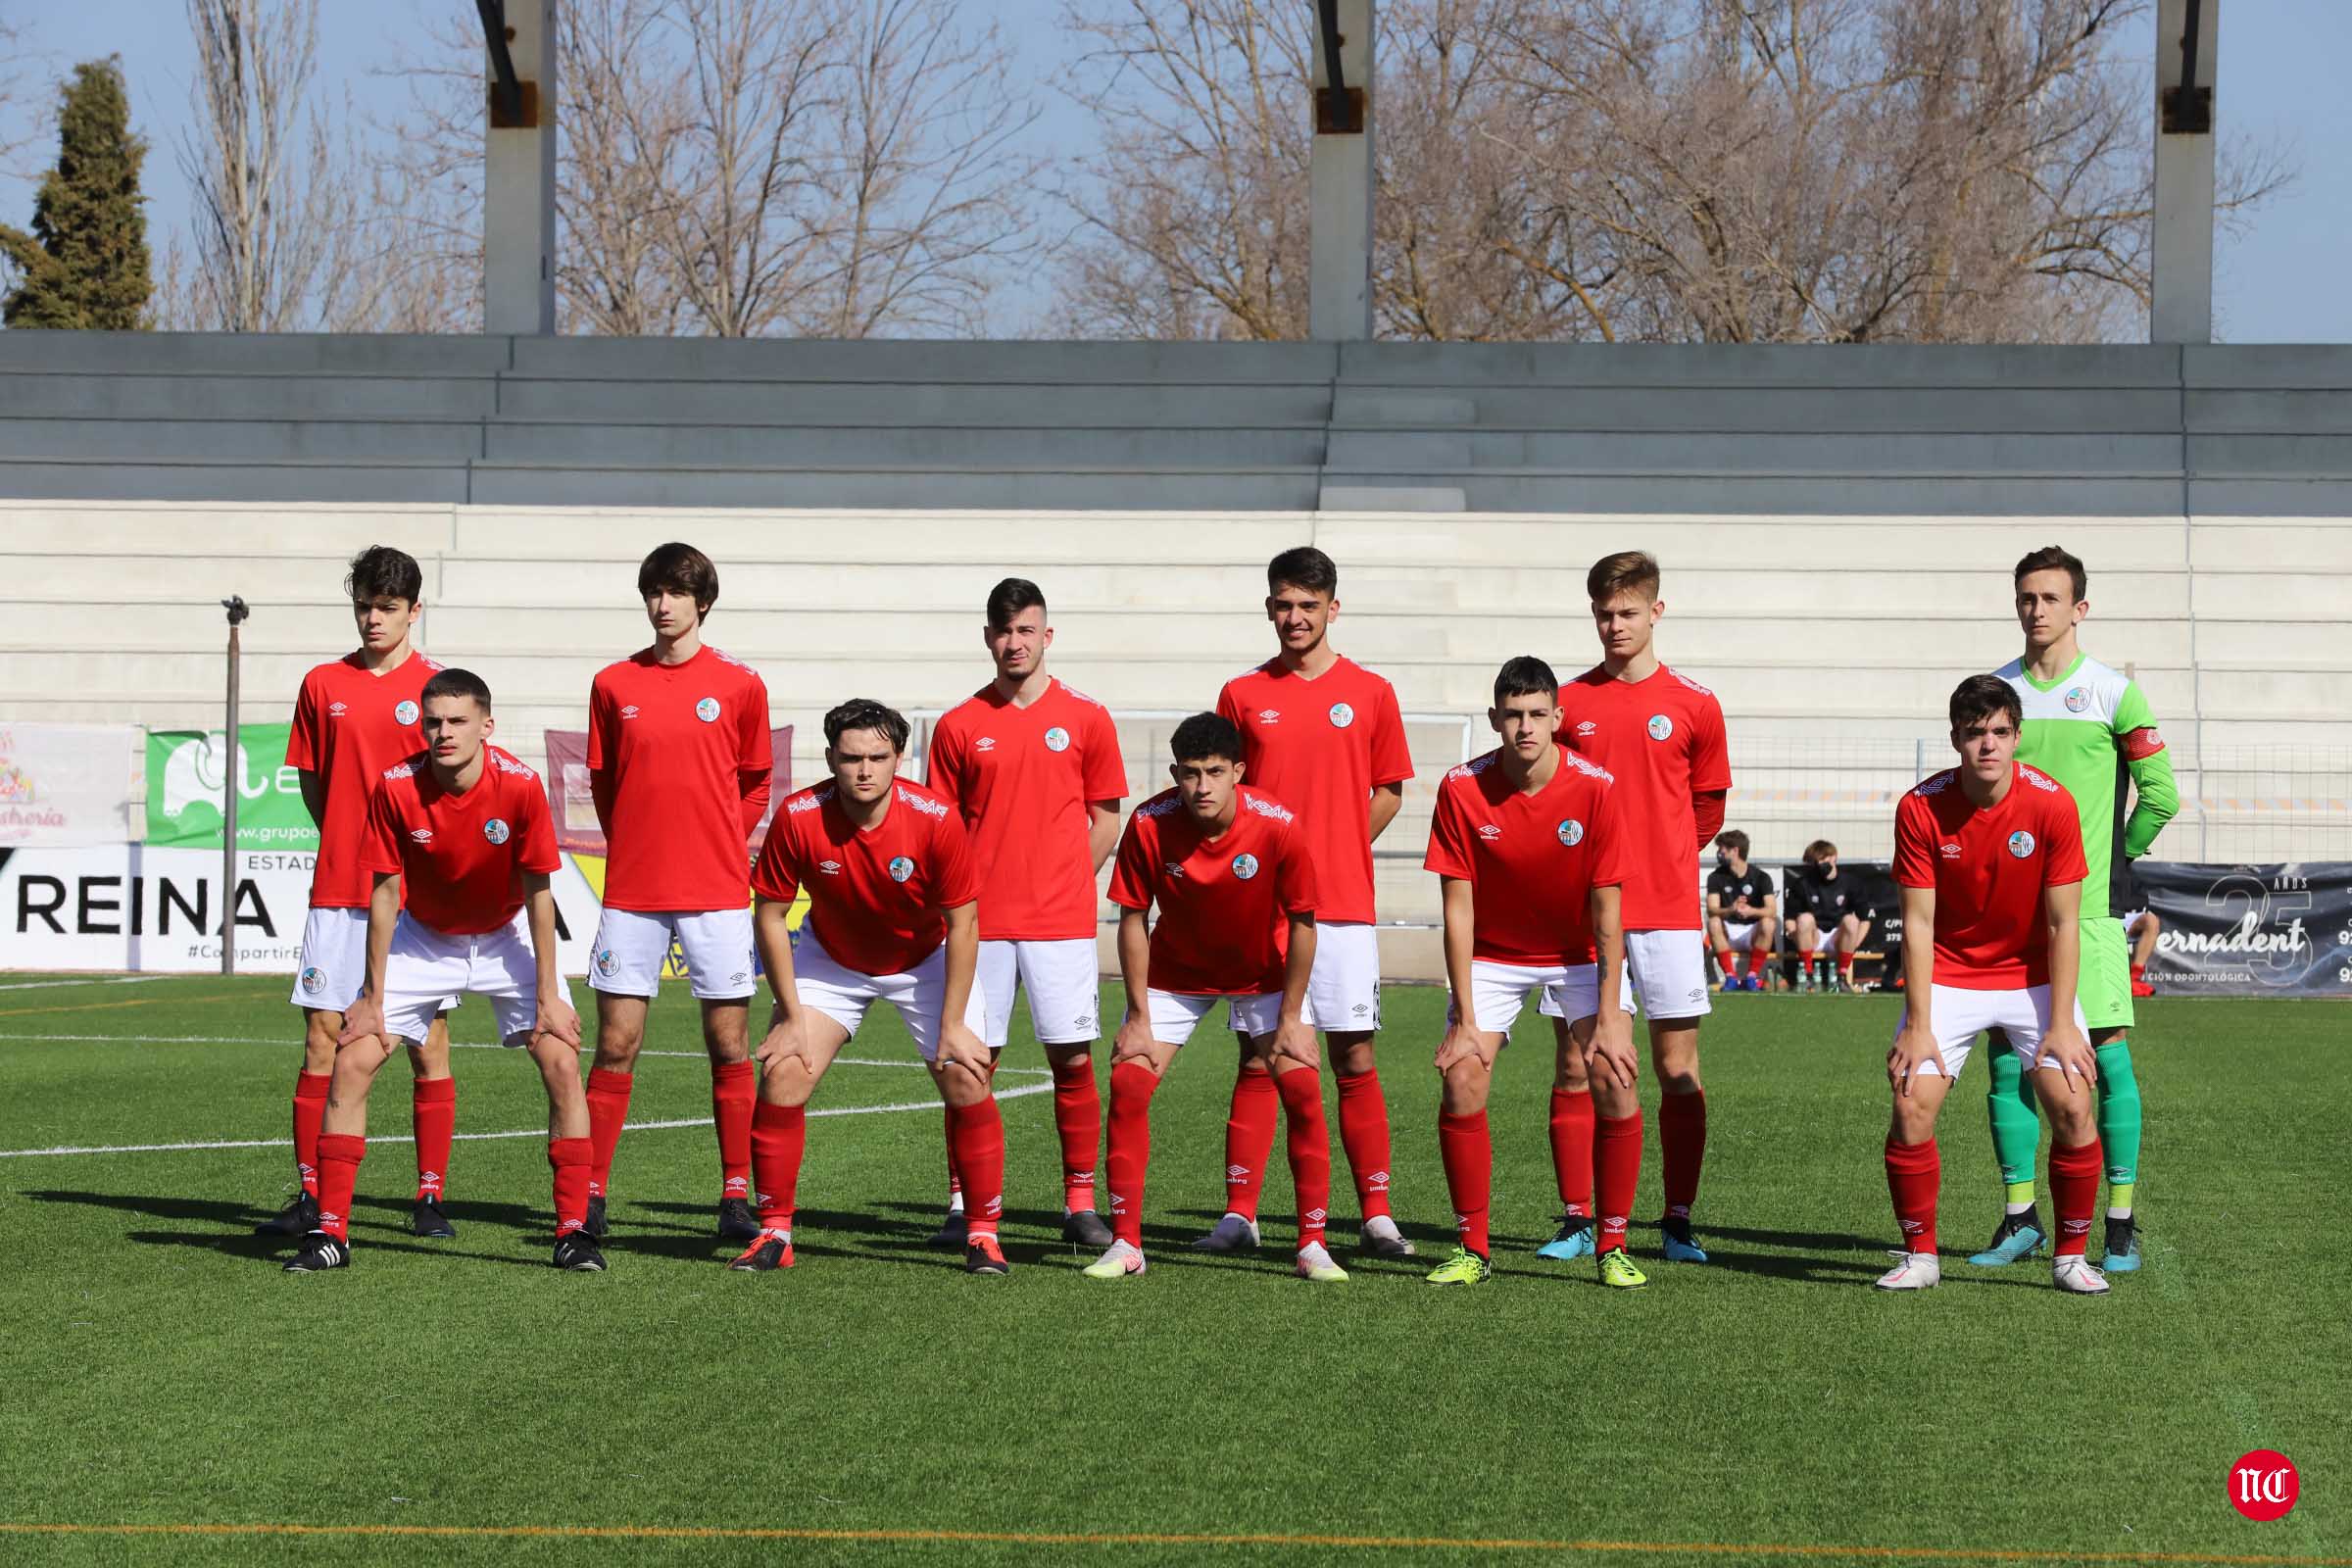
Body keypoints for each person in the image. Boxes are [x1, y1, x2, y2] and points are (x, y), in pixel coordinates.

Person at [287, 669, 593, 1273]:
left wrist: (549, 995)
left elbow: (539, 893)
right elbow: (382, 892)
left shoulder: (521, 786)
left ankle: (573, 1231)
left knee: (560, 1057)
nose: (444, 733)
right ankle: (331, 1233)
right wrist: (372, 996)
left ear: (486, 726)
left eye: (457, 721)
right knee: (353, 1056)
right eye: (433, 722)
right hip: (425, 939)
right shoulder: (396, 786)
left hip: (505, 935)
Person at [730, 700, 1009, 1277]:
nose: (864, 770)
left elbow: (964, 924)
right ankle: (775, 1233)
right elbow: (770, 915)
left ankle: (983, 1234)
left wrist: (953, 1024)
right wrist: (786, 1011)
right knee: (783, 1070)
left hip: (924, 959)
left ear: (898, 758)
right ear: (831, 756)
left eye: (878, 757)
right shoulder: (799, 814)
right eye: (851, 757)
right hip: (833, 960)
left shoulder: (935, 816)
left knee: (964, 1073)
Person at [1199, 547, 1416, 1259]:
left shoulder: (1373, 692)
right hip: (1262, 912)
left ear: (1333, 608)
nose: (1295, 618)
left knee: (1353, 1056)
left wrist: (1337, 848)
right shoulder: (1241, 694)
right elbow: (1229, 792)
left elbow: (1389, 789)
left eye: (1309, 606)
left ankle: (1377, 1215)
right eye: (1284, 605)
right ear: (1269, 607)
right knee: (1258, 1057)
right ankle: (1241, 1214)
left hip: (1343, 906)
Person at [1974, 545, 2179, 1273]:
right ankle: (2021, 1215)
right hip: (2008, 912)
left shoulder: (2113, 693)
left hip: (2086, 912)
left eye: (2051, 598)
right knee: (2007, 1064)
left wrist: (2119, 857)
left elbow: (2162, 795)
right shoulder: (1995, 693)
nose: (2037, 610)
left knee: (2107, 1060)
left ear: (2079, 609)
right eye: (2027, 597)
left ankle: (2119, 1224)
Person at [1087, 712, 1343, 1283]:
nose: (1202, 787)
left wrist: (1294, 1016)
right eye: (1191, 774)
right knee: (1129, 1080)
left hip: (1263, 974)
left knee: (1300, 1084)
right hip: (1175, 974)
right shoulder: (1150, 824)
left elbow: (1304, 922)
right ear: (1175, 772)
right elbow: (1131, 916)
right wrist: (1136, 1013)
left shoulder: (1278, 825)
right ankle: (1127, 1244)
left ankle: (1312, 1245)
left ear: (1239, 773)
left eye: (1215, 773)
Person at [1421, 658, 1647, 1289]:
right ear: (1495, 719)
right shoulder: (1461, 788)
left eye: (1537, 715)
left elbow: (1608, 914)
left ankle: (1612, 1245)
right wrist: (1464, 1018)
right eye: (1513, 715)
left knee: (1614, 1075)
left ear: (1558, 719)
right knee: (1462, 1079)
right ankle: (1472, 1248)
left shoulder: (1596, 787)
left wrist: (1609, 1015)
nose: (1525, 727)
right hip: (1492, 956)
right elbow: (1457, 907)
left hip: (1577, 955)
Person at [1879, 674, 2106, 1295]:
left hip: (2033, 978)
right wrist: (1919, 1026)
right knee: (1910, 1105)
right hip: (1950, 975)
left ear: (2017, 737)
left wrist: (2061, 1022)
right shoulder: (1919, 807)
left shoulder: (2052, 804)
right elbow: (1918, 923)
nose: (1988, 745)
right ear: (1955, 737)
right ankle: (1921, 1257)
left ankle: (2070, 1257)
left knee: (2073, 1103)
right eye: (1975, 733)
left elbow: (2064, 923)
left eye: (2000, 733)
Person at [260, 546, 458, 1243]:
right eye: (365, 606)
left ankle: (430, 1196)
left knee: (424, 1042)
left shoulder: (439, 690)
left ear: (414, 610)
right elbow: (315, 781)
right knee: (322, 1040)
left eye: (388, 607)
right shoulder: (322, 683)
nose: (374, 619)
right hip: (339, 888)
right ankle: (314, 1196)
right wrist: (351, 837)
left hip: (413, 897)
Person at [1541, 551, 1731, 1264]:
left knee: (1676, 1068)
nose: (1614, 625)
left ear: (1656, 611)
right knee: (1575, 1063)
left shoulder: (1695, 703)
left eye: (1626, 612)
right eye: (1603, 613)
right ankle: (1576, 1217)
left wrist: (1661, 854)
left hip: (1668, 912)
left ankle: (1677, 1219)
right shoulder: (1569, 703)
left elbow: (1707, 807)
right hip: (1582, 918)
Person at [924, 577, 1126, 1250]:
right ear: (989, 637)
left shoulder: (1089, 718)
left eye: (1027, 630)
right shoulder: (958, 726)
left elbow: (1106, 818)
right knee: (970, 1065)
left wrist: (1067, 880)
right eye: (1003, 632)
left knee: (1071, 1062)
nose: (1015, 643)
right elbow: (939, 832)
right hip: (977, 928)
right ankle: (965, 1203)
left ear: (1047, 636)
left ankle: (1079, 1204)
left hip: (1060, 924)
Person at [580, 543, 773, 1245]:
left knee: (729, 1042)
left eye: (675, 592)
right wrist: (635, 840)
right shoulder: (611, 683)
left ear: (702, 602)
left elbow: (756, 781)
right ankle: (591, 1192)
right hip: (633, 889)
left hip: (718, 890)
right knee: (617, 1041)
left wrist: (720, 838)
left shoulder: (741, 685)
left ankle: (734, 1193)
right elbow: (604, 784)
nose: (662, 605)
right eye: (653, 592)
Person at [1788, 840, 1868, 993]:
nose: (1820, 864)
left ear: (1834, 857)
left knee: (1851, 920)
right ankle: (1808, 976)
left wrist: (1855, 943)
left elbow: (1864, 919)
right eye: (1816, 861)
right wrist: (1795, 935)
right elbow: (1790, 918)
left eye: (1823, 859)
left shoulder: (1850, 882)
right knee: (1805, 919)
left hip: (1838, 938)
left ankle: (1842, 978)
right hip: (1813, 936)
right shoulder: (1803, 883)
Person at [1703, 831, 1778, 993]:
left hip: (1752, 932)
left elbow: (1771, 910)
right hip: (1728, 931)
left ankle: (1752, 977)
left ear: (1735, 851)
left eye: (1722, 850)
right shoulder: (1716, 877)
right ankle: (1731, 977)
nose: (1719, 854)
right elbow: (1712, 909)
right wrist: (1731, 909)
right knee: (1714, 922)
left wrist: (1751, 911)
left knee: (1768, 923)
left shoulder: (1761, 877)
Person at [2124, 882, 2160, 1000]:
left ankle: (2134, 977)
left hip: (2126, 915)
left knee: (2151, 920)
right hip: (2103, 915)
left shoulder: (2126, 869)